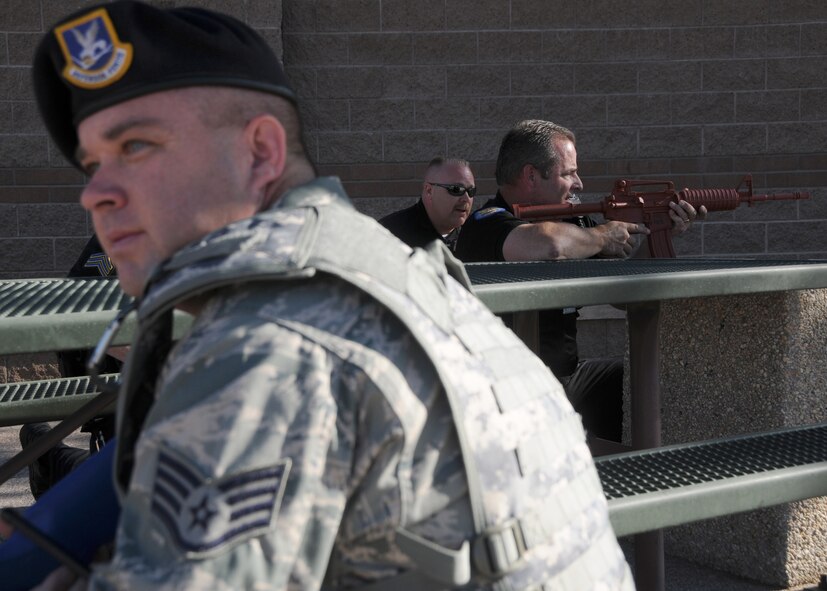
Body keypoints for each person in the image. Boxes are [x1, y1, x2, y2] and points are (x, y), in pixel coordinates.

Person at [9, 3, 635, 589]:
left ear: (259, 152)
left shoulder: (266, 343)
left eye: (136, 149)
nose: (97, 194)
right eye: (92, 165)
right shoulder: (404, 271)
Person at [455, 119, 704, 443]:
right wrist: (601, 235)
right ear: (531, 175)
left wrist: (661, 233)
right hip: (505, 387)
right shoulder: (485, 224)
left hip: (569, 378)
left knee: (662, 387)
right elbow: (549, 245)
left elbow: (624, 295)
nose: (579, 183)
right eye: (568, 173)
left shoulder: (576, 226)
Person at [20, 235, 121, 499]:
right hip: (120, 383)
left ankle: (46, 451)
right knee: (114, 492)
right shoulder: (127, 228)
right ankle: (49, 455)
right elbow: (77, 309)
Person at [379, 157, 475, 251]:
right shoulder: (390, 233)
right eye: (456, 189)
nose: (466, 198)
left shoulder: (478, 233)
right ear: (429, 191)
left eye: (471, 191)